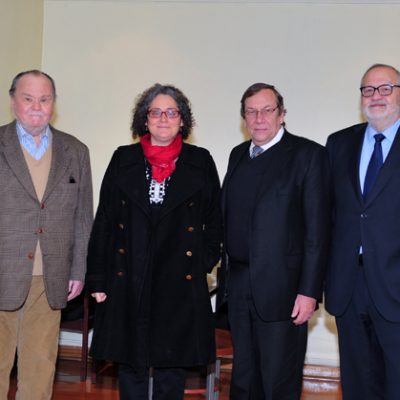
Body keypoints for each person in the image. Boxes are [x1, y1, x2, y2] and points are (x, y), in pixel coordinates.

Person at [86, 83, 222, 399]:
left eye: (171, 112)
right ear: (144, 120)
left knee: (172, 370)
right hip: (130, 278)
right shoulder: (123, 159)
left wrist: (201, 261)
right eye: (155, 112)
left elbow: (215, 222)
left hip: (178, 282)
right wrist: (98, 279)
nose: (163, 118)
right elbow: (104, 220)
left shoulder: (200, 161)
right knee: (131, 367)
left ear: (182, 120)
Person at [216, 82, 330, 399]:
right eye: (251, 112)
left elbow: (317, 232)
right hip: (238, 287)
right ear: (243, 118)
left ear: (282, 115)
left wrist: (309, 292)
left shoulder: (309, 156)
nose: (259, 118)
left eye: (267, 110)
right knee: (243, 376)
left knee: (278, 380)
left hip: (284, 291)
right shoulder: (238, 155)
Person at [0, 70, 93, 399]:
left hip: (51, 278)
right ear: (13, 102)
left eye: (44, 99)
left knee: (40, 369)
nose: (36, 107)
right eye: (28, 99)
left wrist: (79, 271)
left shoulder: (76, 151)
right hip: (3, 272)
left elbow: (83, 217)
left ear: (53, 104)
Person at [325, 63, 400, 400]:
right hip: (348, 285)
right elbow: (328, 214)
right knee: (356, 381)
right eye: (368, 90)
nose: (376, 96)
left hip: (395, 283)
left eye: (386, 88)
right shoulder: (339, 143)